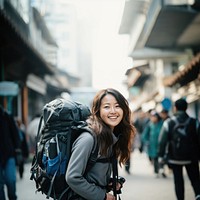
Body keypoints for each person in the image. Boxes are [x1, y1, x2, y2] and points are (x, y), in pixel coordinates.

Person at [65, 88, 136, 200]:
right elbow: (72, 177)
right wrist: (102, 196)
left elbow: (92, 174)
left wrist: (109, 182)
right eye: (106, 107)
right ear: (98, 111)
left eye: (117, 106)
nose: (113, 111)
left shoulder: (110, 137)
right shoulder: (88, 139)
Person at [158, 98, 200, 200]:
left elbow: (162, 141)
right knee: (195, 180)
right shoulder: (194, 122)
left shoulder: (168, 122)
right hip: (192, 157)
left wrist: (161, 156)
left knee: (178, 181)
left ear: (175, 108)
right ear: (186, 108)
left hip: (175, 157)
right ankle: (198, 195)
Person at [0, 106, 22, 200]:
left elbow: (16, 135)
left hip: (9, 154)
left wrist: (16, 148)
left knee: (11, 181)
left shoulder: (6, 116)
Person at [142, 110, 163, 177]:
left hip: (161, 144)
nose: (153, 118)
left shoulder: (162, 123)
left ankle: (162, 169)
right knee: (155, 158)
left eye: (154, 117)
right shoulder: (150, 124)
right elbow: (145, 135)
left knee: (161, 157)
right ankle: (156, 171)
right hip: (152, 144)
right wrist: (146, 141)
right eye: (152, 117)